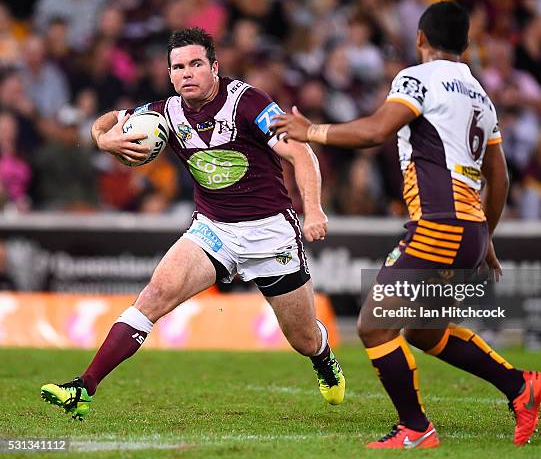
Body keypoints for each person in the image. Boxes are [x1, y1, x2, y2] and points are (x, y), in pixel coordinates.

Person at [273, 1, 541, 449]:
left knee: (374, 325)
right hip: (469, 227)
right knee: (422, 329)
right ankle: (521, 386)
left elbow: (376, 131)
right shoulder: (481, 95)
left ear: (420, 38)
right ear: (465, 44)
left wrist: (312, 131)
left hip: (439, 223)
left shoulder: (417, 78)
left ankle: (416, 428)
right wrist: (486, 237)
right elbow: (500, 177)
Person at [40, 27, 345, 419]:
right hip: (213, 228)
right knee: (153, 297)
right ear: (169, 74)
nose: (187, 73)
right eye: (178, 67)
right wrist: (103, 140)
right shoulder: (164, 112)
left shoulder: (248, 104)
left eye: (196, 64)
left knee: (302, 338)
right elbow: (105, 121)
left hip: (270, 232)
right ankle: (84, 387)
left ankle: (322, 357)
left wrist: (315, 210)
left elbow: (301, 154)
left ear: (215, 68)